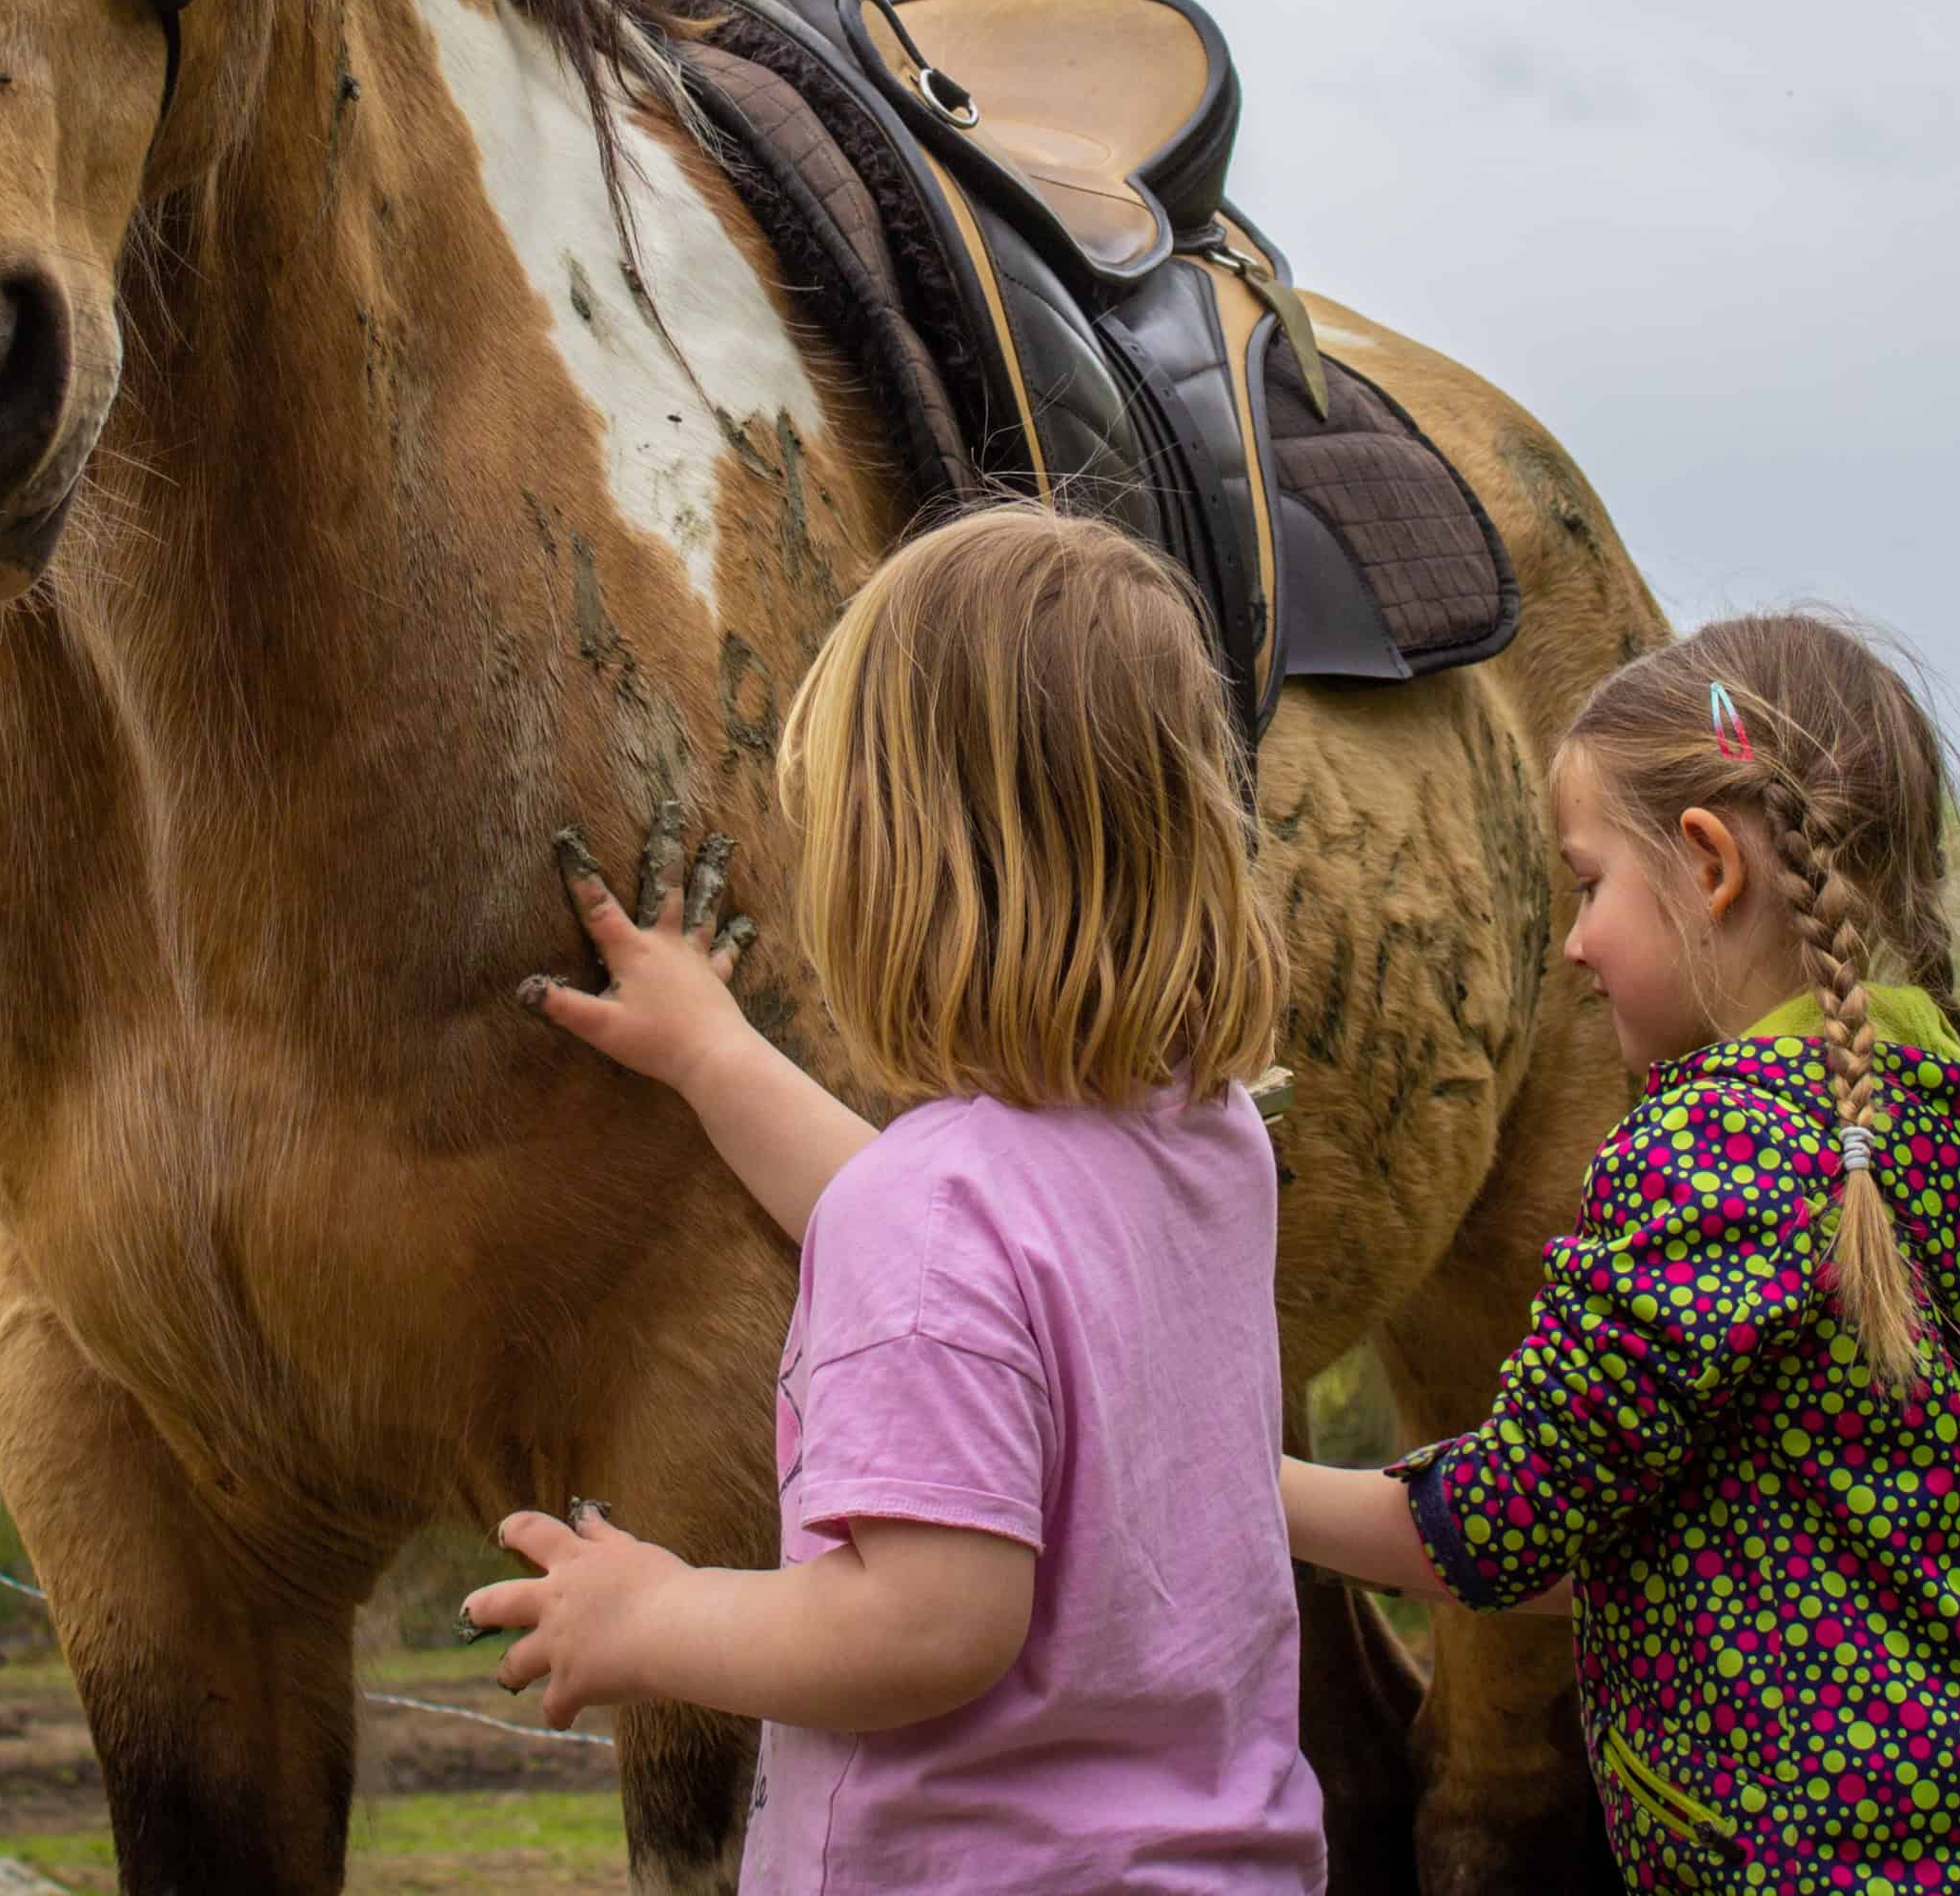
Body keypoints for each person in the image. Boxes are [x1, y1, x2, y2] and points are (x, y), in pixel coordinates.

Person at [474, 500, 1327, 1893]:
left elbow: (925, 1629)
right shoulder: (1206, 1139)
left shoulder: (940, 1218)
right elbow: (953, 1237)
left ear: (898, 865)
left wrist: (657, 1618)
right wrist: (711, 1054)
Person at [1279, 611, 1960, 1893]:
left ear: (1709, 863)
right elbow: (1727, 1537)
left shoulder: (1709, 1163)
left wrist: (1234, 1483)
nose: (1570, 944)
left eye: (1585, 886)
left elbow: (1506, 1530)